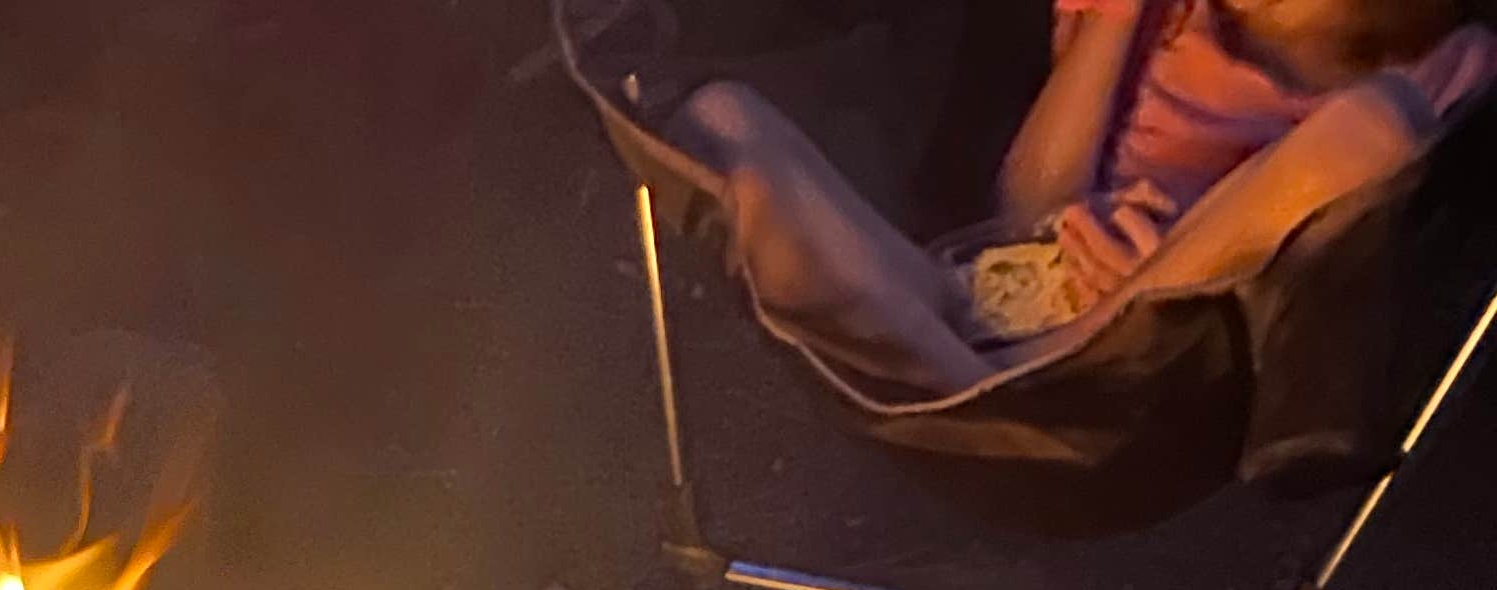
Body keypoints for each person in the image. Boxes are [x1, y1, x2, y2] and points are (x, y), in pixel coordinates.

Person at [585, 0, 1497, 390]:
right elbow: (1023, 209)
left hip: (1178, 341)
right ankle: (966, 388)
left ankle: (987, 383)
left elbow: (1345, 195)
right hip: (982, 298)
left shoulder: (1443, 60)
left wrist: (1173, 260)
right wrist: (1121, 13)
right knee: (723, 112)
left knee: (1371, 126)